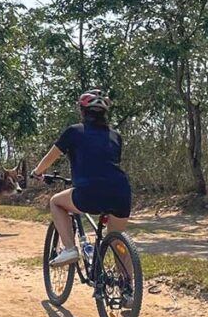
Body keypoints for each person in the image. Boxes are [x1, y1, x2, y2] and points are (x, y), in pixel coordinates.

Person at [29, 90, 132, 268]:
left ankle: (69, 249)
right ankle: (129, 289)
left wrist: (37, 172)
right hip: (121, 193)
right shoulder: (116, 136)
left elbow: (51, 157)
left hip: (89, 193)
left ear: (82, 111)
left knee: (55, 202)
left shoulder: (74, 131)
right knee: (118, 243)